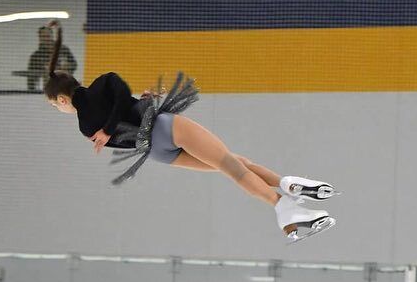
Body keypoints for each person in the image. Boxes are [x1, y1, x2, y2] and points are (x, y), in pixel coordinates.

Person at [42, 22, 338, 242]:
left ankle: (288, 185)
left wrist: (120, 118)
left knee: (234, 164)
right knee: (231, 166)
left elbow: (125, 134)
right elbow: (120, 99)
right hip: (166, 128)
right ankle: (285, 209)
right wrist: (127, 112)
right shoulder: (103, 83)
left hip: (156, 152)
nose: (60, 110)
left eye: (56, 107)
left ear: (62, 99)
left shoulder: (84, 127)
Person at [27, 22, 77, 92]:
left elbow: (74, 65)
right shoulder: (36, 56)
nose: (46, 39)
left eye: (47, 36)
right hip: (48, 90)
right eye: (43, 37)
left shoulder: (63, 49)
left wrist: (67, 66)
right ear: (40, 38)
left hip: (65, 88)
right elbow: (31, 78)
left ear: (52, 35)